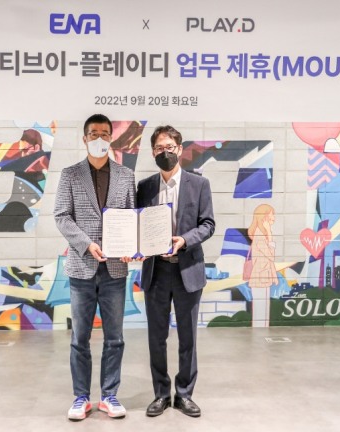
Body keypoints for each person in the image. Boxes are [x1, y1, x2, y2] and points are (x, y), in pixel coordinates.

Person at [54, 114, 136, 421]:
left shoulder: (126, 175)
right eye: (93, 134)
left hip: (115, 269)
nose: (99, 138)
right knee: (80, 338)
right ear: (85, 138)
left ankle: (109, 396)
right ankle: (81, 397)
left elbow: (131, 217)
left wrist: (131, 247)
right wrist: (86, 243)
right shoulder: (70, 174)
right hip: (82, 267)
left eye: (104, 133)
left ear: (111, 138)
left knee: (115, 337)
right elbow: (62, 216)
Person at [136, 125, 215, 418]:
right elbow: (137, 225)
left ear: (180, 149)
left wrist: (184, 240)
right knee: (156, 337)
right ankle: (161, 393)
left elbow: (208, 224)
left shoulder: (199, 184)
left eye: (169, 147)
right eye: (159, 148)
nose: (164, 152)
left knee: (187, 337)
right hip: (156, 271)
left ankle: (184, 394)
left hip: (187, 270)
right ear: (152, 152)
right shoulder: (145, 187)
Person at [246, 203, 277, 327]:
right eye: (271, 215)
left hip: (263, 278)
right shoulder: (259, 236)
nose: (273, 218)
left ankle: (261, 331)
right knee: (260, 313)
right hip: (260, 279)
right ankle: (259, 332)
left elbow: (269, 260)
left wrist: (274, 276)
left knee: (264, 312)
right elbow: (271, 256)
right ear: (263, 217)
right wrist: (269, 234)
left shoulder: (261, 236)